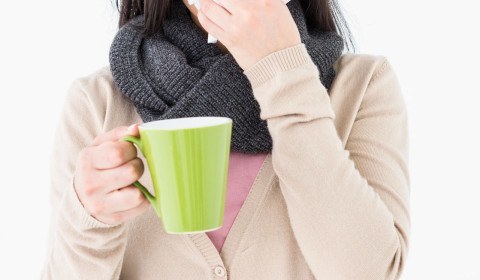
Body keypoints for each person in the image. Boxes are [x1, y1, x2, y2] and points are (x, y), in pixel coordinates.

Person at [41, 0, 410, 278]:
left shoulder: (362, 86)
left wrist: (284, 71)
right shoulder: (97, 102)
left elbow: (368, 272)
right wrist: (90, 220)